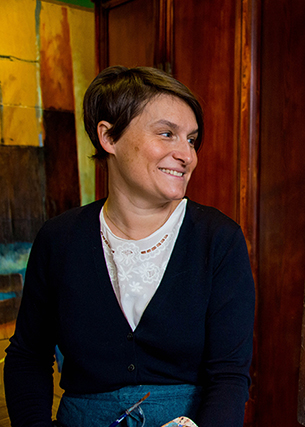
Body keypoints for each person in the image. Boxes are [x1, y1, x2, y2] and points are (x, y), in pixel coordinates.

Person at [3, 66, 256, 427]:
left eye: (191, 140)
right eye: (167, 134)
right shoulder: (59, 239)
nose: (187, 155)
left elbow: (229, 376)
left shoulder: (219, 239)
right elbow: (28, 357)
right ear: (108, 137)